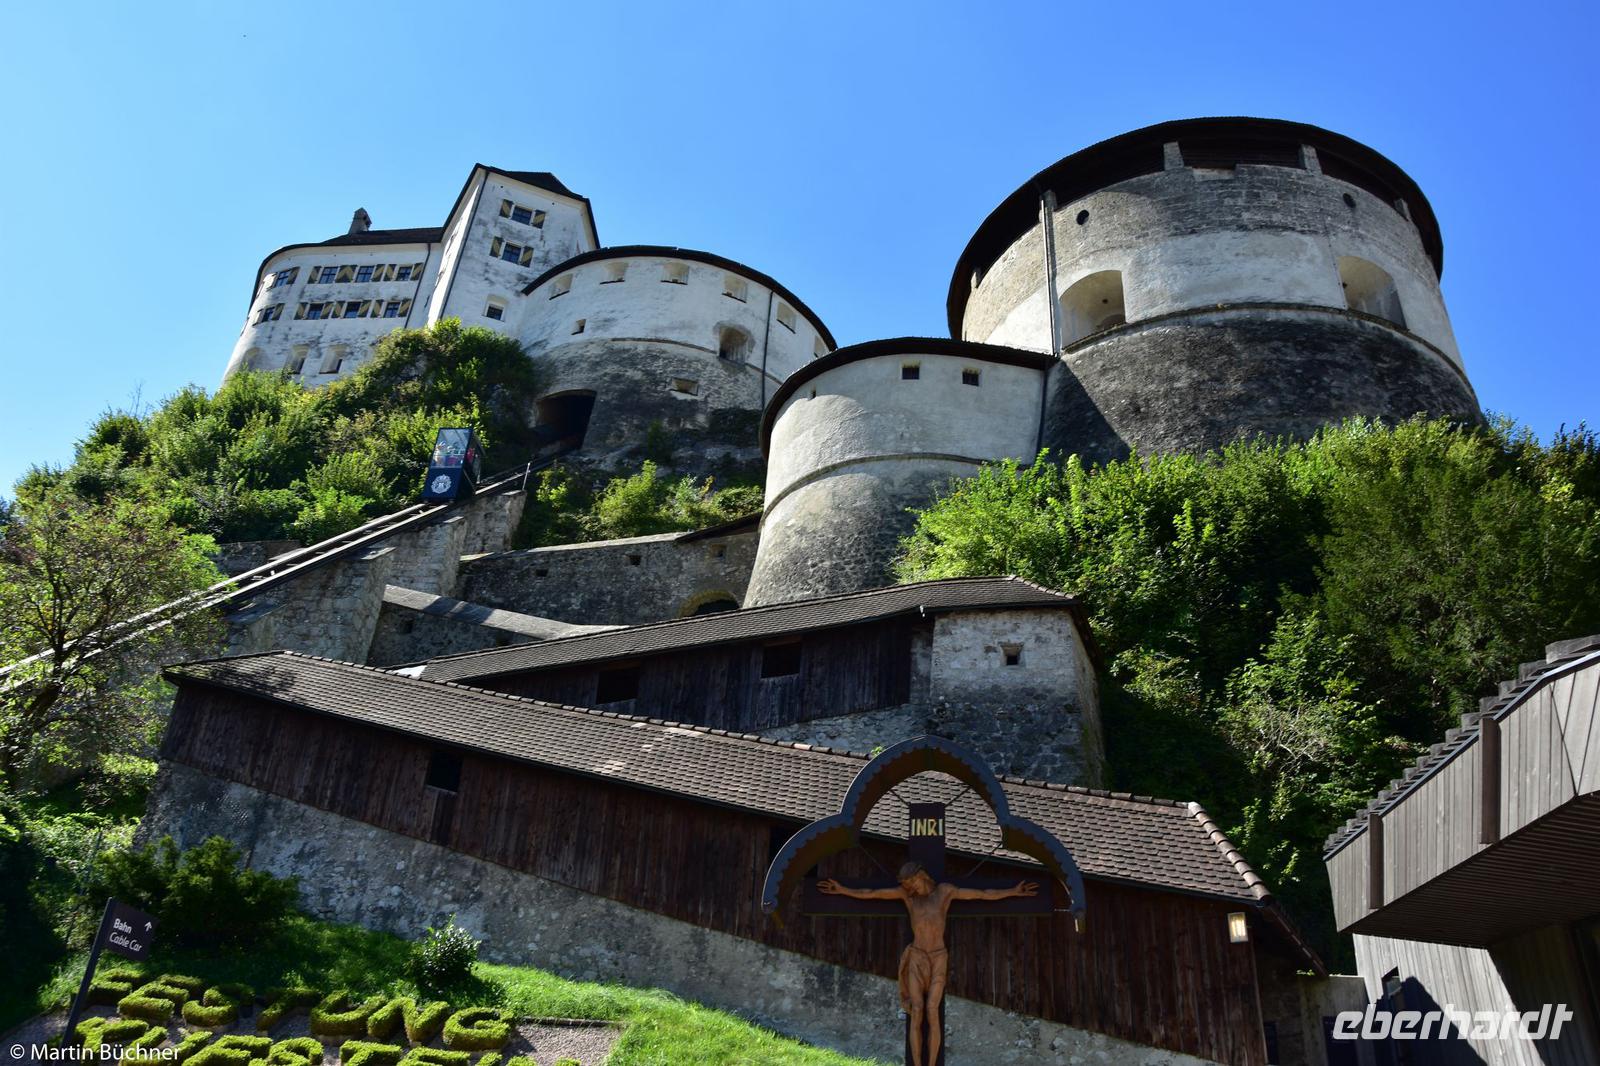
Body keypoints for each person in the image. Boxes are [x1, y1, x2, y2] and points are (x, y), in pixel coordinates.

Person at [819, 863, 1038, 1066]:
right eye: (905, 886)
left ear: (920, 876)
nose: (909, 888)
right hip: (916, 957)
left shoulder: (944, 892)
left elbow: (981, 895)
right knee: (917, 1010)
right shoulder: (908, 897)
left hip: (938, 957)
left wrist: (1012, 892)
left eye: (910, 883)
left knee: (932, 1010)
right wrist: (843, 891)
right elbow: (872, 894)